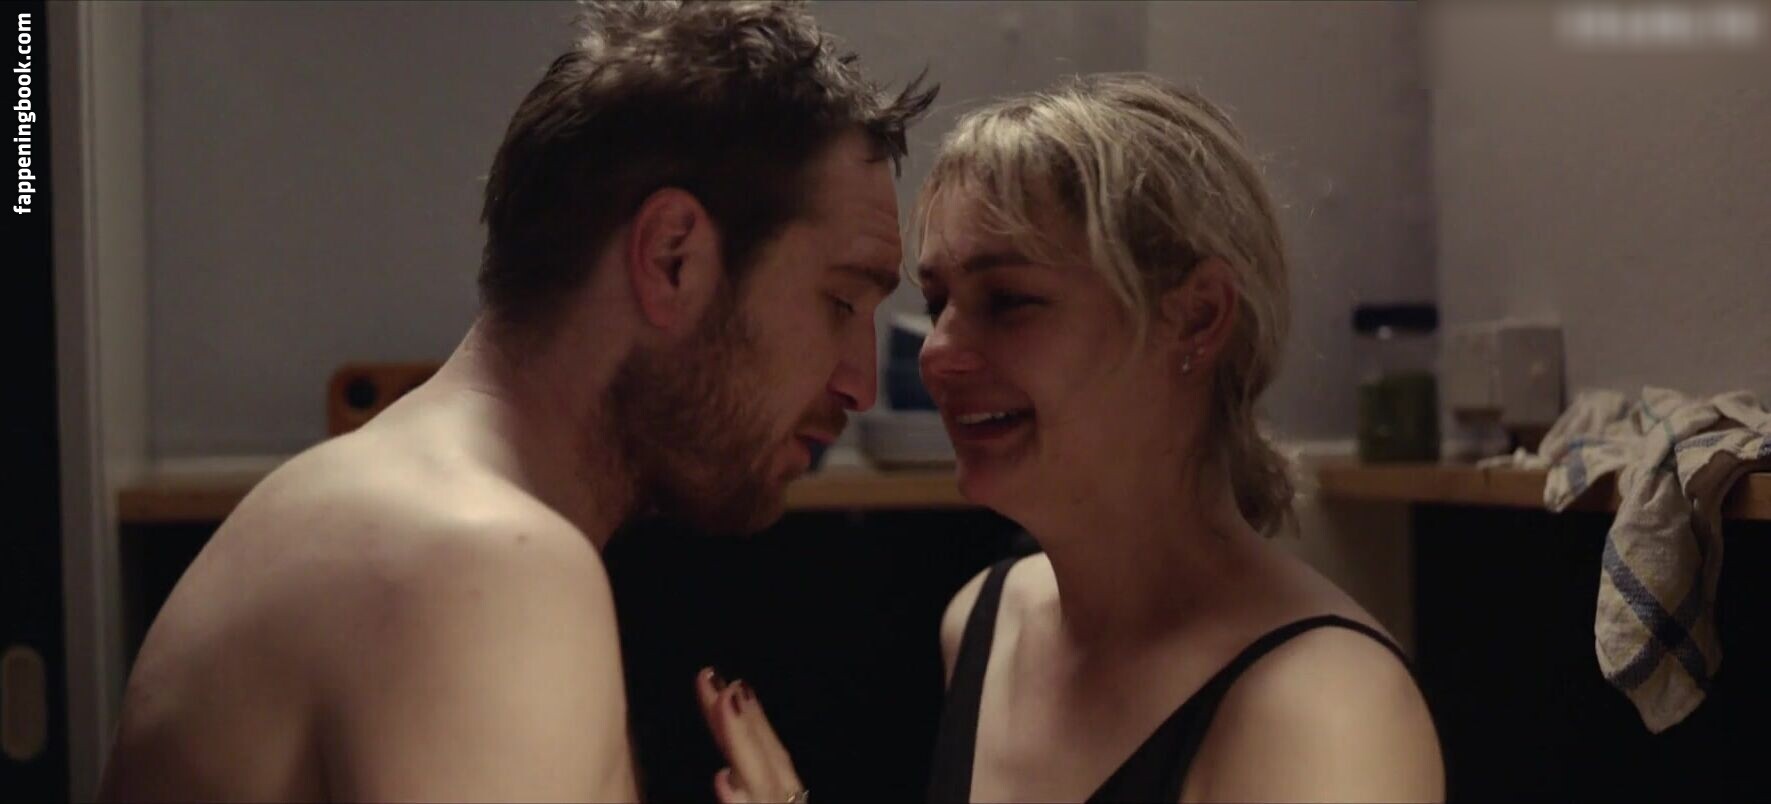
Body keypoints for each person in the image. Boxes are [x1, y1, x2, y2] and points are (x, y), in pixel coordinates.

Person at [97, 2, 934, 800]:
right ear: (671, 258)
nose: (860, 383)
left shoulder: (379, 504)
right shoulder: (482, 563)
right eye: (838, 302)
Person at [697, 73, 1444, 803]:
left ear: (1198, 317)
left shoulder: (1328, 714)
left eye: (1009, 301)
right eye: (938, 301)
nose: (936, 352)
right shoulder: (983, 623)